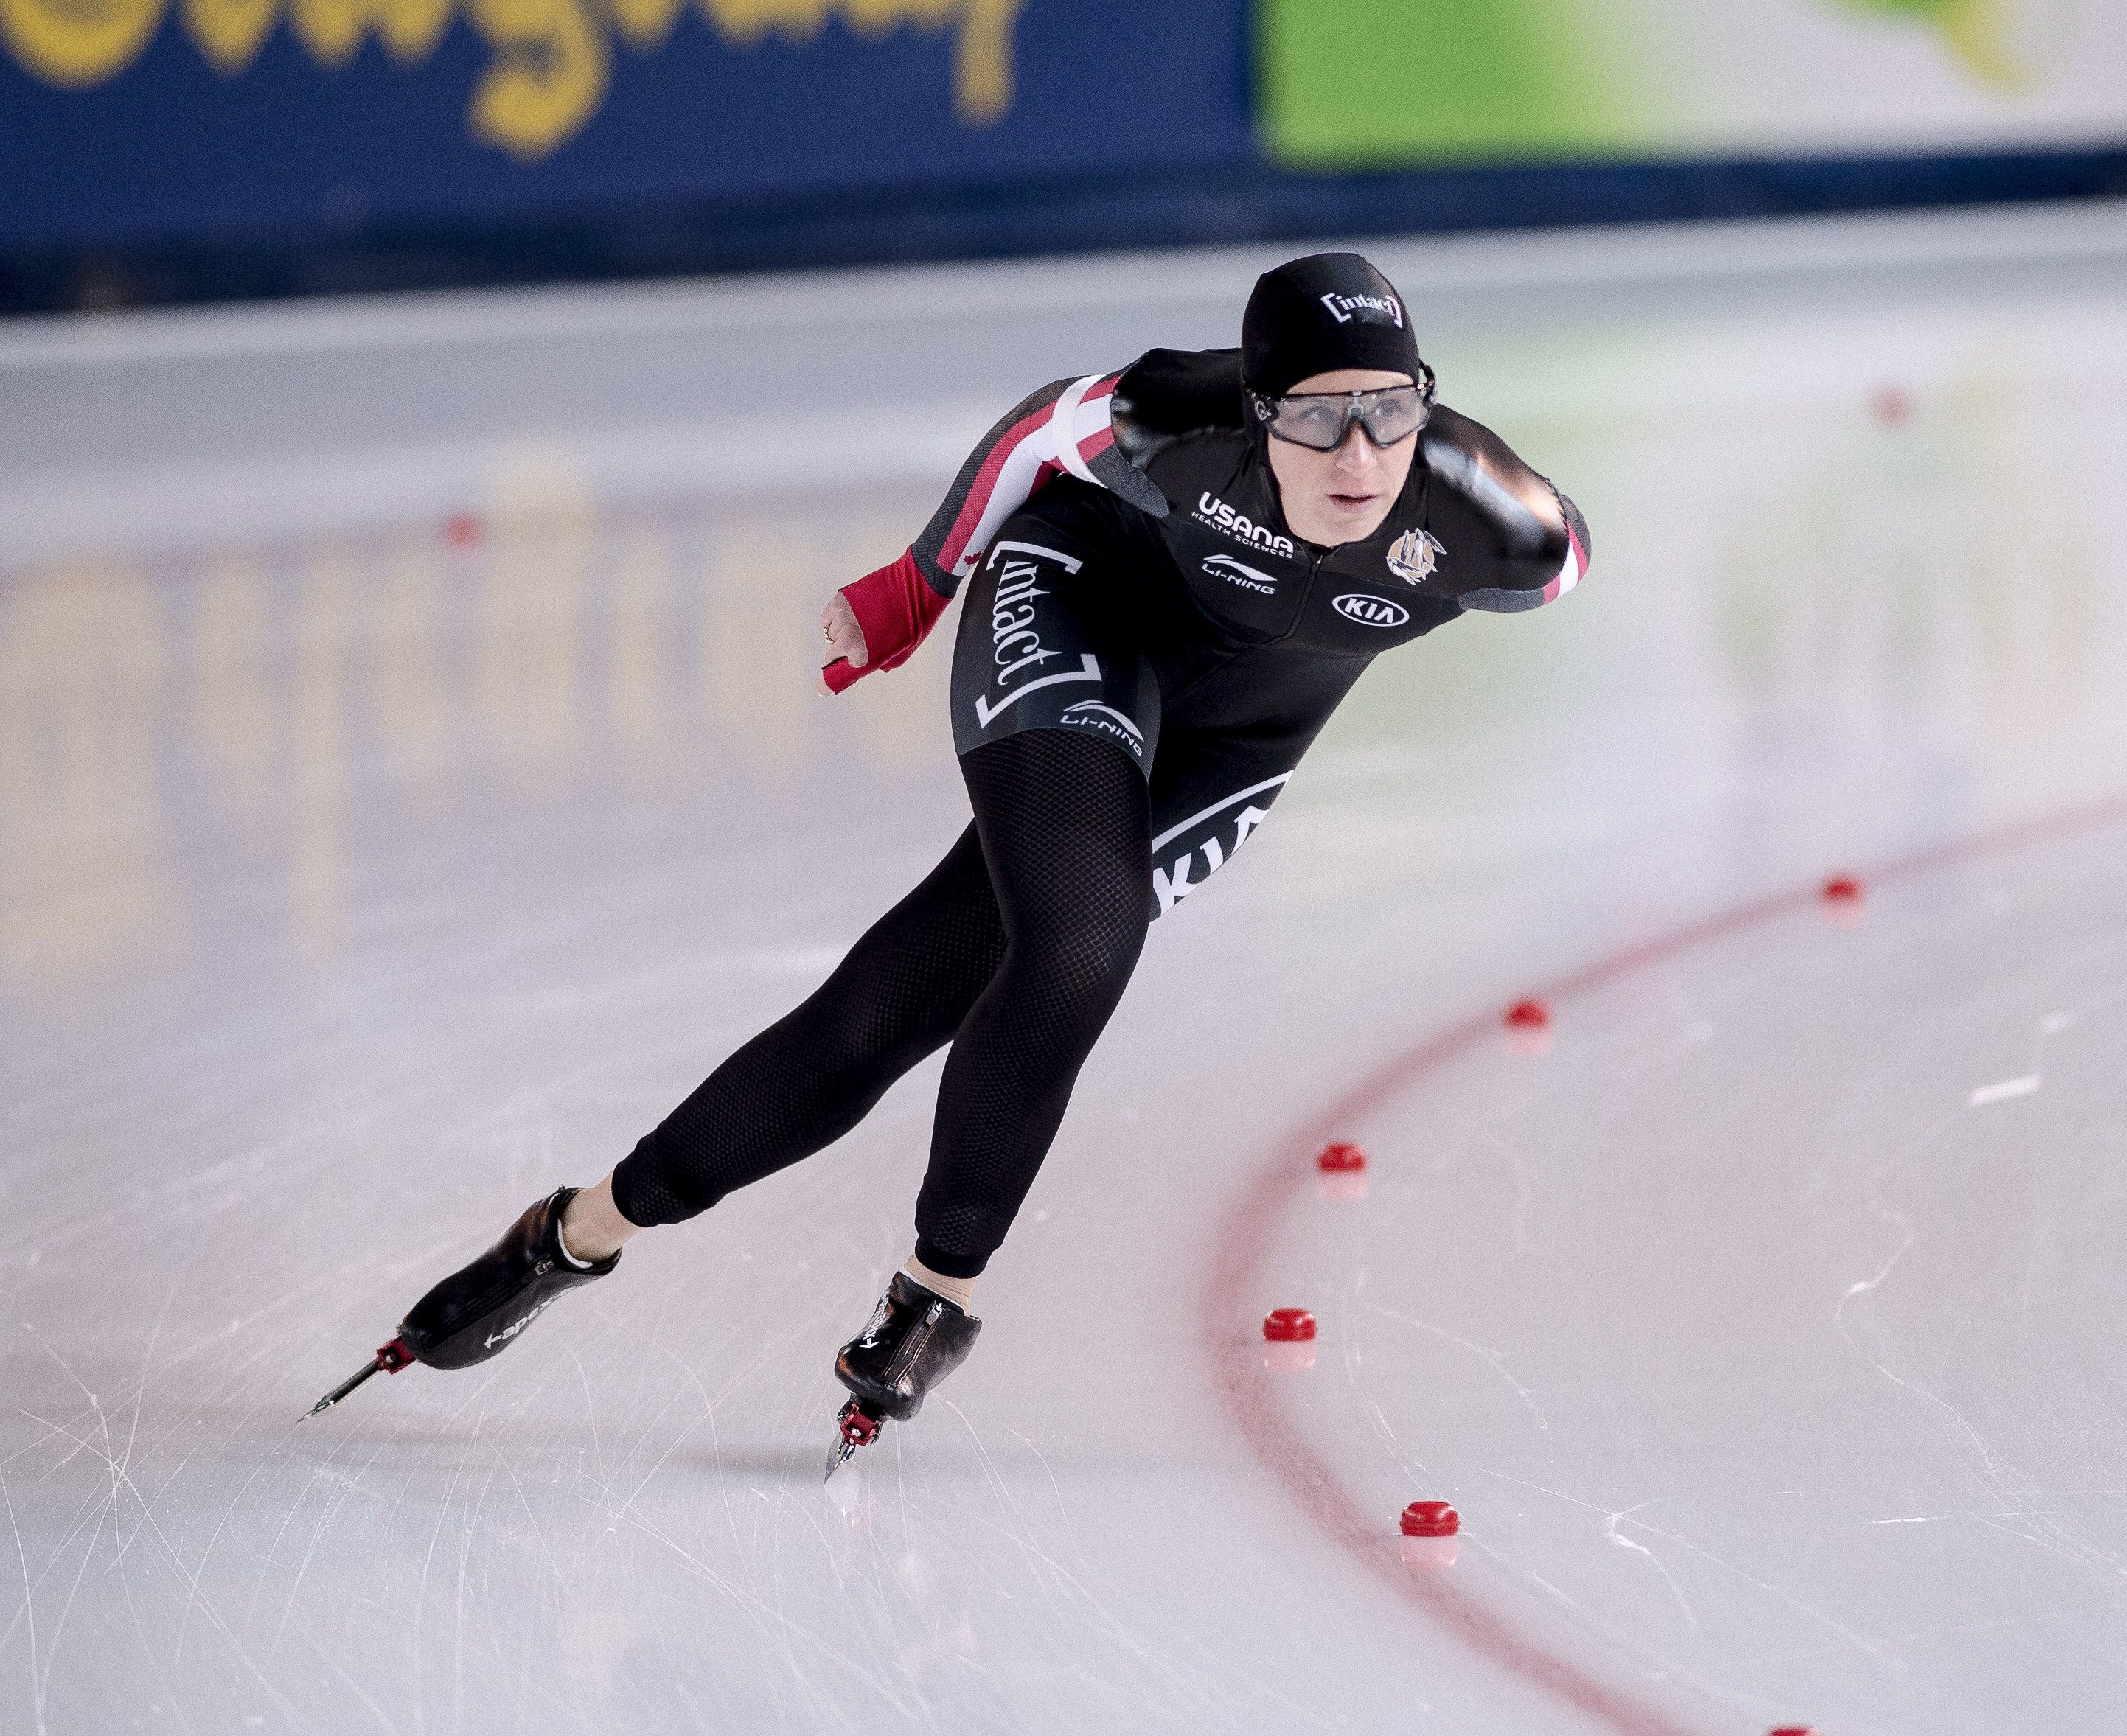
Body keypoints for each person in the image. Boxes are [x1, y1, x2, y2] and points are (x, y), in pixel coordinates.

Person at [307, 254, 1590, 1455]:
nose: (1357, 452)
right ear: (1256, 415)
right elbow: (1043, 427)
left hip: (1236, 740)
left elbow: (1568, 556)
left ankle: (577, 1232)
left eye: (1386, 411)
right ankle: (945, 1293)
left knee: (894, 1005)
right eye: (1313, 418)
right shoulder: (1174, 419)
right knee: (1084, 941)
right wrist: (923, 582)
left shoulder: (1503, 526)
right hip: (1084, 602)